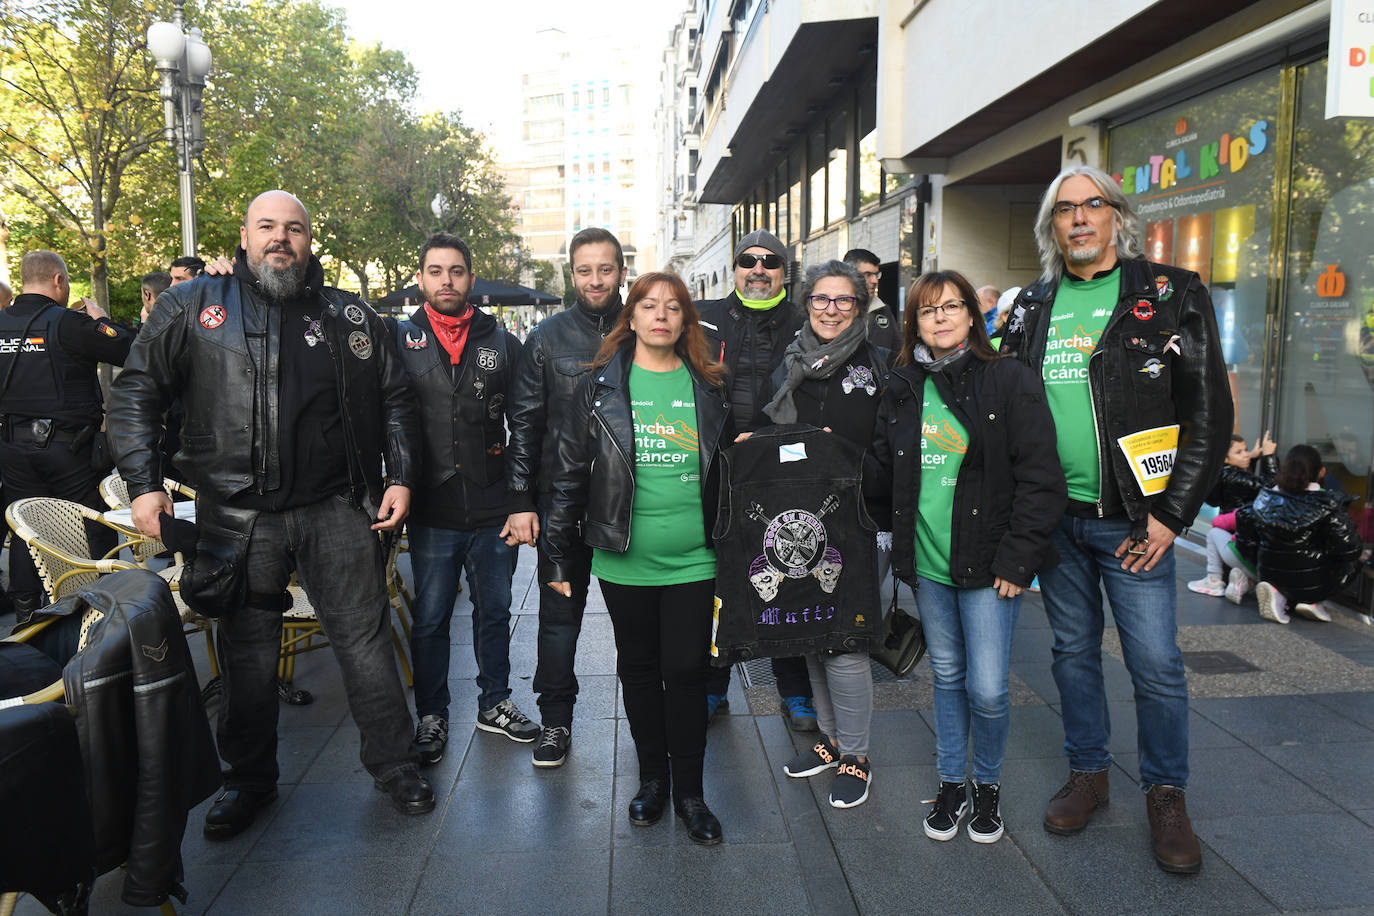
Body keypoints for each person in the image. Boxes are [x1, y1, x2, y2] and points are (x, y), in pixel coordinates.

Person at [107, 190, 434, 836]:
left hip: (336, 508)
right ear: (245, 234)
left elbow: (397, 397)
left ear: (311, 240)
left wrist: (400, 475)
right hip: (236, 515)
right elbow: (136, 390)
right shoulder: (193, 303)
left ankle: (396, 766)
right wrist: (143, 484)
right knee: (248, 655)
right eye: (267, 227)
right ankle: (249, 781)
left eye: (294, 229)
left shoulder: (350, 314)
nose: (280, 239)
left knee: (365, 643)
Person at [1000, 165, 1231, 874]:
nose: (1077, 219)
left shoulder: (1171, 295)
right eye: (1064, 209)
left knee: (1156, 663)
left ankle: (1166, 794)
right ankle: (1090, 774)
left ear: (1116, 217)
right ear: (1051, 226)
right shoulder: (1032, 305)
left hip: (1136, 522)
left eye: (1090, 206)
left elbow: (1208, 415)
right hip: (1056, 521)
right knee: (1070, 655)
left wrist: (1171, 517)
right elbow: (1003, 407)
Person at [875, 269, 1065, 842]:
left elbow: (1041, 478)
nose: (940, 318)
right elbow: (882, 470)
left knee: (987, 687)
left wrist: (1018, 560)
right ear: (915, 323)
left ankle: (988, 786)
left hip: (990, 565)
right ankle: (951, 783)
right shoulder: (904, 384)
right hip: (929, 562)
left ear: (971, 315)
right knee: (948, 676)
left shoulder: (1007, 378)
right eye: (927, 310)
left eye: (951, 306)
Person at [545, 271, 731, 845]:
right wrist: (557, 560)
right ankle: (653, 780)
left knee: (687, 671)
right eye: (649, 306)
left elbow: (728, 472)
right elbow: (568, 475)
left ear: (685, 322)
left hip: (696, 559)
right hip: (624, 558)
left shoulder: (710, 386)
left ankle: (691, 793)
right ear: (630, 318)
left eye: (672, 308)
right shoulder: (598, 387)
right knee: (640, 670)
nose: (660, 316)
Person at [386, 232, 537, 766]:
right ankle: (432, 713)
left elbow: (525, 422)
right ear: (421, 278)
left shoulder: (502, 341)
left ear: (470, 278)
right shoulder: (397, 340)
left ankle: (495, 702)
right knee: (430, 617)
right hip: (431, 505)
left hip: (494, 501)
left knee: (494, 611)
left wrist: (523, 497)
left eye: (455, 270)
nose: (446, 280)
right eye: (435, 271)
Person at [756, 259, 890, 808]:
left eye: (843, 301)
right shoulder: (787, 364)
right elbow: (773, 435)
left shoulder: (883, 368)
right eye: (821, 299)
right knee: (810, 632)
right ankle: (832, 743)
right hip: (800, 525)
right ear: (806, 303)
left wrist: (840, 455)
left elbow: (894, 455)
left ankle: (856, 758)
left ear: (859, 306)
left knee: (845, 642)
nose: (831, 309)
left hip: (859, 522)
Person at [505, 227, 627, 767]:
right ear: (571, 274)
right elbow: (525, 426)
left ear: (622, 270)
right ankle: (556, 722)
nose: (596, 279)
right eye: (585, 270)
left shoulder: (645, 326)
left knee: (641, 623)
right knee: (558, 620)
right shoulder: (546, 339)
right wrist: (521, 500)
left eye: (605, 268)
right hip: (562, 508)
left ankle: (659, 714)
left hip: (633, 506)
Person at [698, 229, 816, 732]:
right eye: (749, 260)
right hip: (718, 468)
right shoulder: (706, 317)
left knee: (789, 577)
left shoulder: (806, 318)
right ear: (736, 266)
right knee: (719, 581)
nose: (759, 268)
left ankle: (795, 691)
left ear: (783, 270)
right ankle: (711, 684)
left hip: (782, 467)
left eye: (771, 261)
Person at [0, 250, 135, 619]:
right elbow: (133, 350)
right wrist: (102, 320)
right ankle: (99, 612)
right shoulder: (67, 324)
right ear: (58, 281)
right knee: (90, 524)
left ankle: (27, 616)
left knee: (27, 527)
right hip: (68, 448)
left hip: (12, 448)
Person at [1236, 444, 1362, 624]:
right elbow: (1350, 549)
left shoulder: (1266, 497)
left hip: (1267, 573)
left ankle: (1281, 594)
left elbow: (1244, 532)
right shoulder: (1327, 505)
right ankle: (1311, 600)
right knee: (1355, 559)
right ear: (1322, 472)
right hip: (1313, 583)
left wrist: (1257, 558)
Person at [1187, 432, 1277, 601]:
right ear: (1226, 459)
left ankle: (1233, 579)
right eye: (1239, 452)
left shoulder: (1226, 474)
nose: (1246, 455)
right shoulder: (1233, 476)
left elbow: (1246, 487)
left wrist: (1254, 458)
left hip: (1240, 540)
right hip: (1243, 543)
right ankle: (1223, 579)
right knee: (1214, 535)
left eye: (1246, 450)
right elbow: (1268, 488)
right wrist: (1269, 457)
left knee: (1217, 536)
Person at [842, 248, 901, 350]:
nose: (875, 280)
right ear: (849, 275)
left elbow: (898, 352)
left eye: (876, 274)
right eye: (868, 275)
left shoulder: (884, 310)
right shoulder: (831, 309)